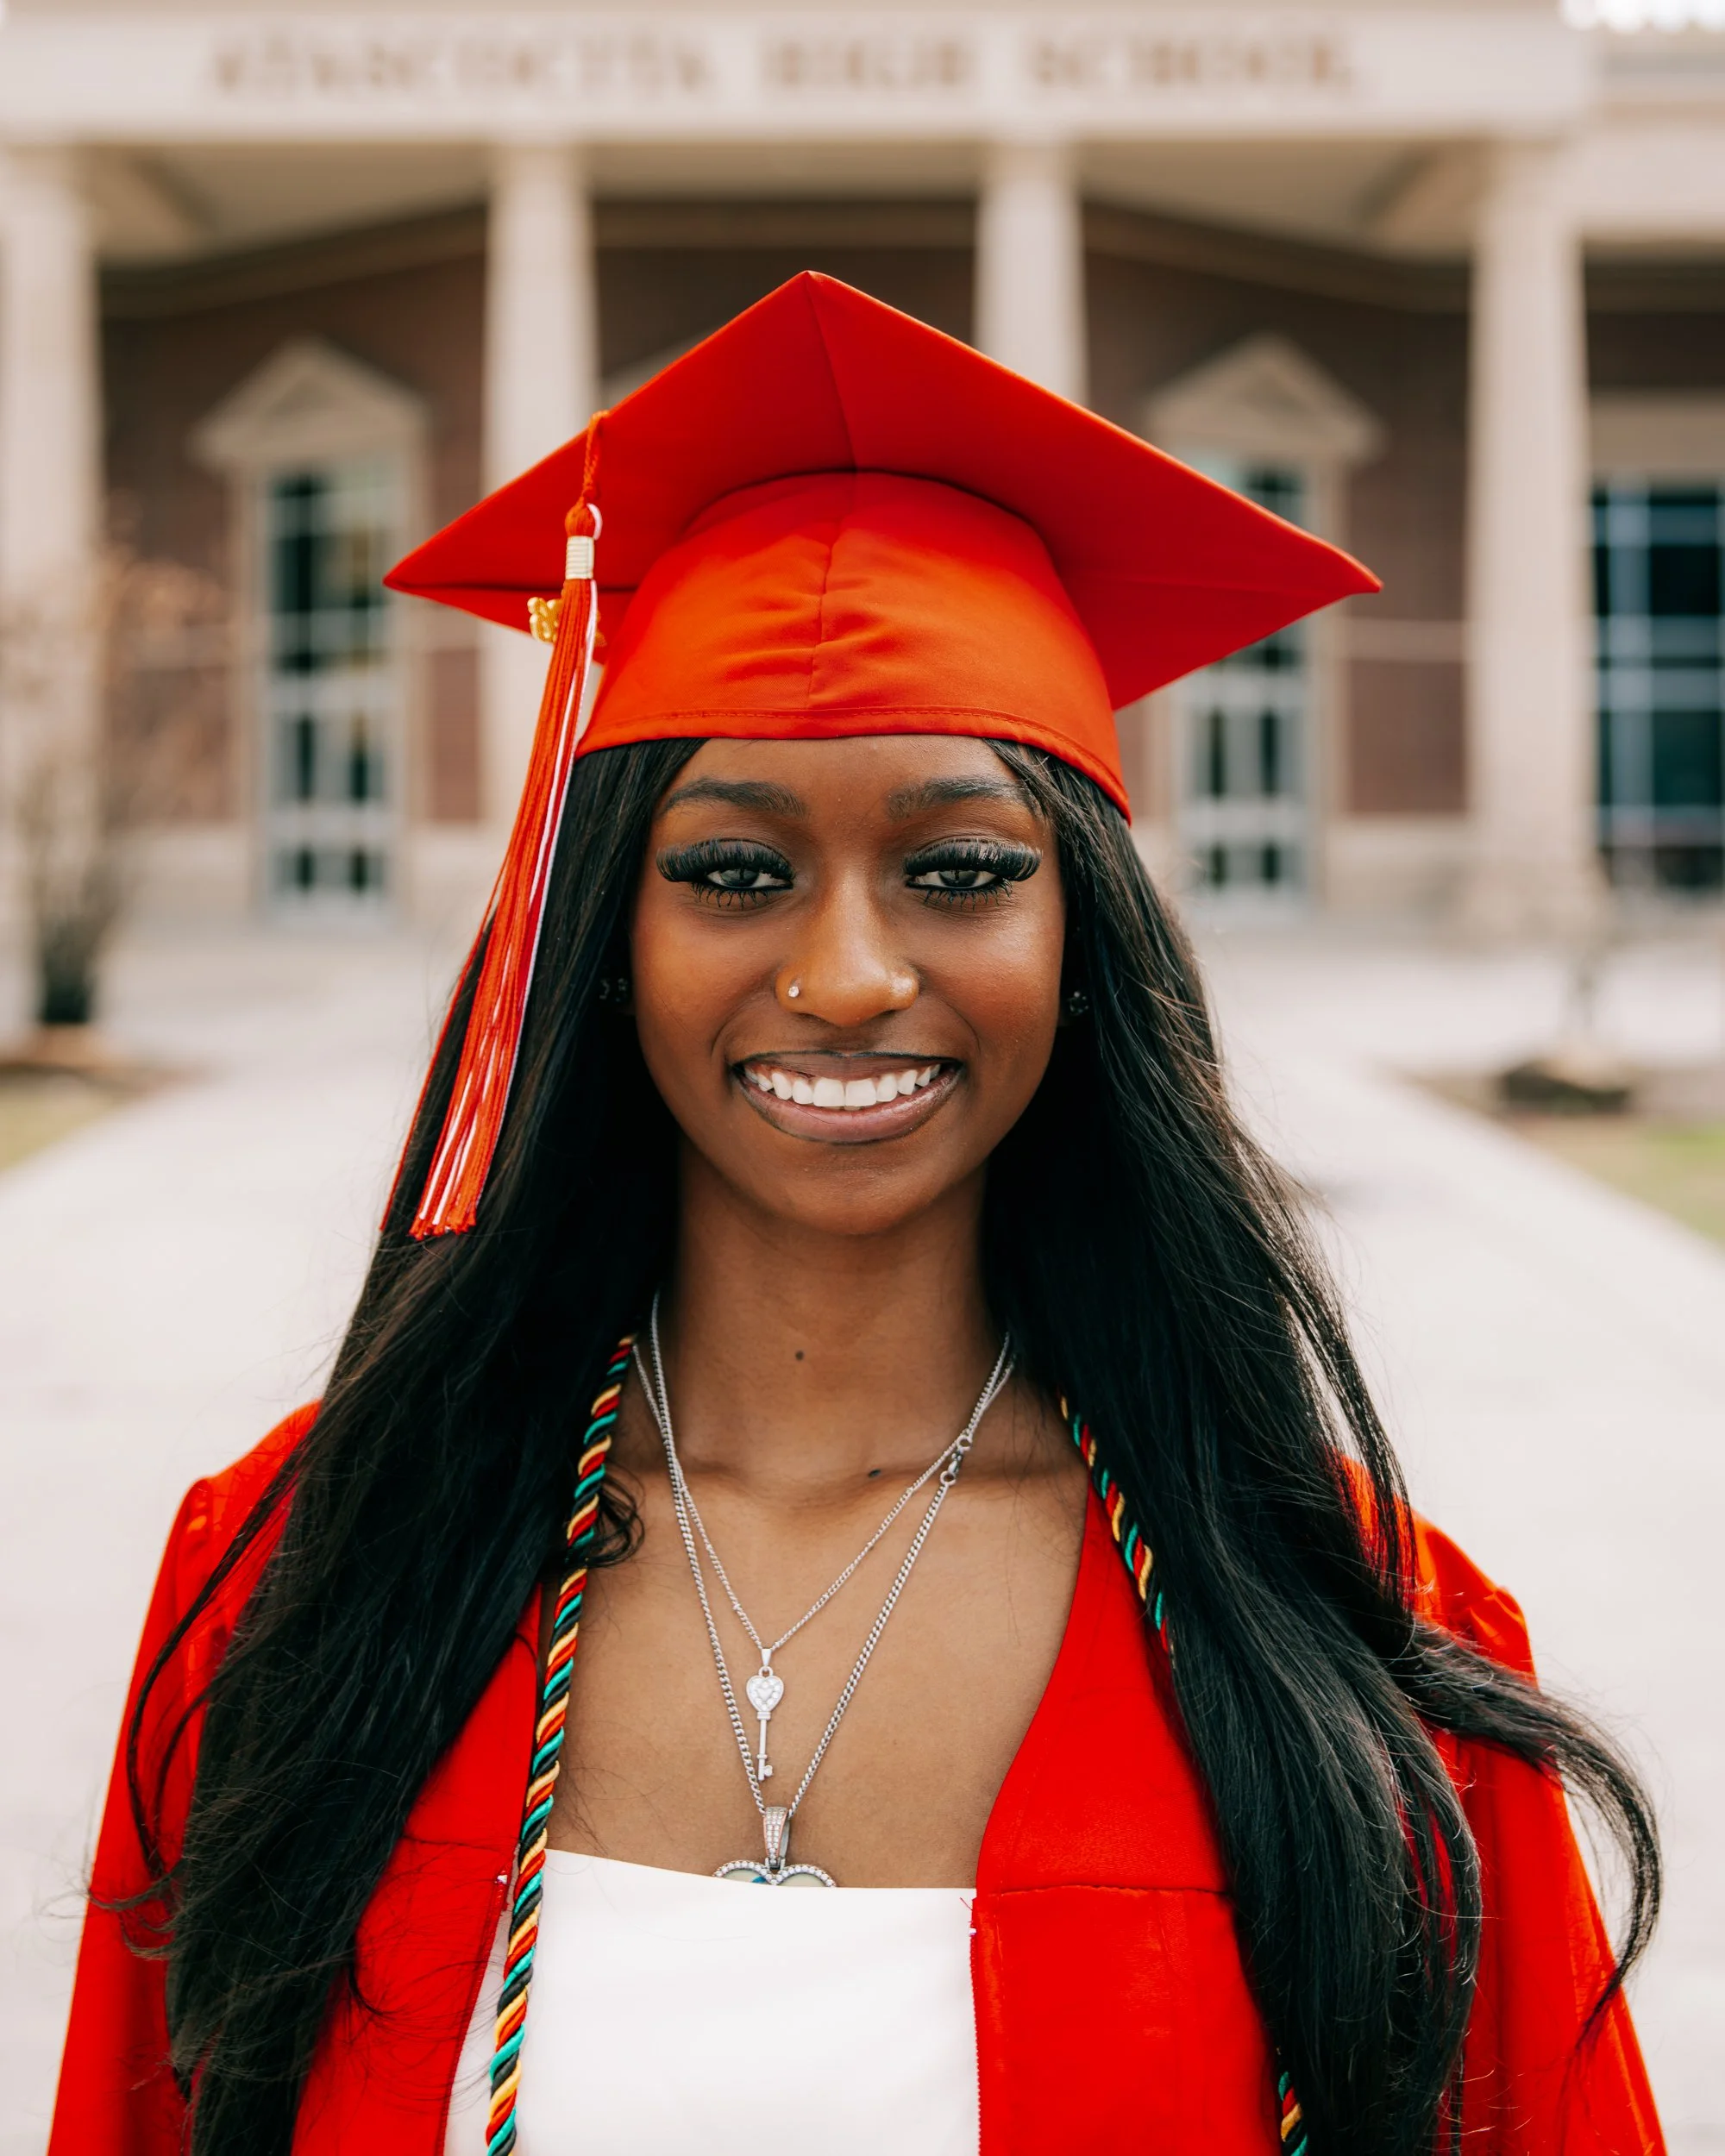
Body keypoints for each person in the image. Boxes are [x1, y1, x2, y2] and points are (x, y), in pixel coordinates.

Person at [49, 273, 1662, 2156]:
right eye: (731, 867)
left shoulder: (1350, 1637)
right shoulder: (307, 1571)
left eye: (959, 867)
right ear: (598, 940)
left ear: (1082, 946)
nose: (842, 971)